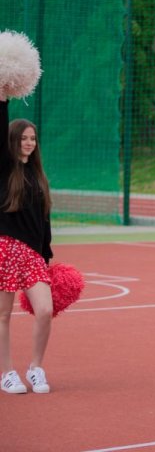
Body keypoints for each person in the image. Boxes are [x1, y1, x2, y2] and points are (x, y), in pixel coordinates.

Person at [0, 91, 54, 394]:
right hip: (5, 247)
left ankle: (36, 367)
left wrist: (45, 254)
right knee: (3, 315)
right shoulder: (5, 170)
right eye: (23, 138)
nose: (29, 142)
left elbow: (44, 220)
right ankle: (7, 373)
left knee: (44, 310)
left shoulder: (38, 175)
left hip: (33, 254)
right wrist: (3, 99)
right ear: (13, 140)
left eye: (32, 138)